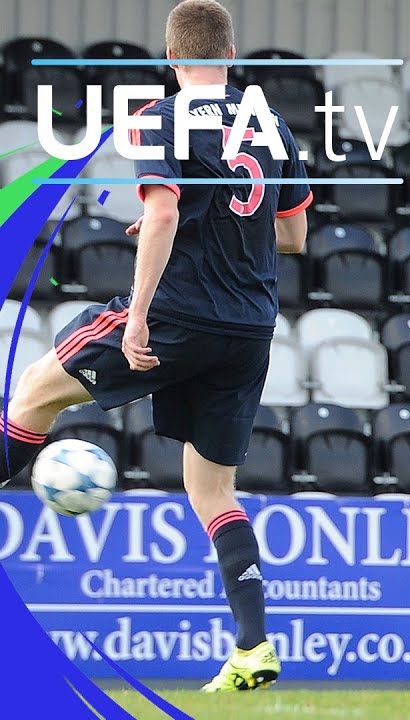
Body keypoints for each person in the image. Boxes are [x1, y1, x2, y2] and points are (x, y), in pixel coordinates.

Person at [0, 0, 310, 692]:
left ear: (171, 60)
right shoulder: (273, 125)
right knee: (212, 491)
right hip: (248, 326)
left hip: (177, 311)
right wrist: (189, 223)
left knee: (31, 394)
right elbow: (291, 238)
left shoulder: (161, 118)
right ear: (231, 57)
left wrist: (138, 314)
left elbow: (167, 208)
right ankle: (252, 650)